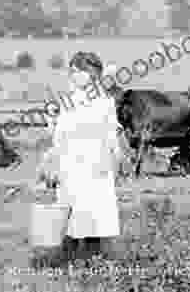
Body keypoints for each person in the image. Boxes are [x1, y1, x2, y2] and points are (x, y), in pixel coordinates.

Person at [37, 51, 121, 259]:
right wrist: (52, 156)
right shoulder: (68, 101)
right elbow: (58, 135)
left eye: (79, 71)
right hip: (70, 165)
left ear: (91, 73)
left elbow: (111, 135)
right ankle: (65, 260)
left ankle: (93, 262)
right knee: (68, 214)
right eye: (72, 71)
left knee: (93, 216)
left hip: (95, 164)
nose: (74, 75)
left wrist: (112, 161)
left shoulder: (103, 102)